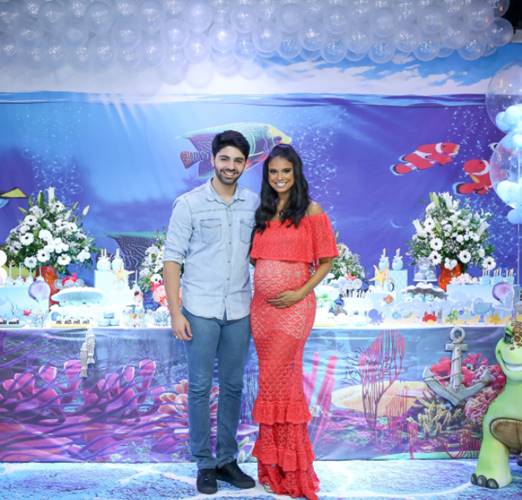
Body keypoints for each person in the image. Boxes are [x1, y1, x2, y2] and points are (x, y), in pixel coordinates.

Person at [163, 130, 258, 495]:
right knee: (200, 387)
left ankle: (227, 461)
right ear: (213, 160)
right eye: (225, 159)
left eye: (238, 161)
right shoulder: (189, 204)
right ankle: (204, 463)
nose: (230, 166)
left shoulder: (253, 203)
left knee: (234, 387)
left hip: (239, 309)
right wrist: (176, 313)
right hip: (200, 309)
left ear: (245, 164)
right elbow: (172, 260)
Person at [249, 144, 338, 500]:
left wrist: (298, 292)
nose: (280, 177)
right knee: (271, 385)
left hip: (295, 308)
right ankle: (272, 468)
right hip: (262, 312)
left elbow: (326, 262)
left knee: (281, 383)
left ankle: (293, 469)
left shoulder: (312, 211)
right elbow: (259, 262)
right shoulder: (264, 212)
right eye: (273, 172)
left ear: (296, 173)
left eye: (286, 171)